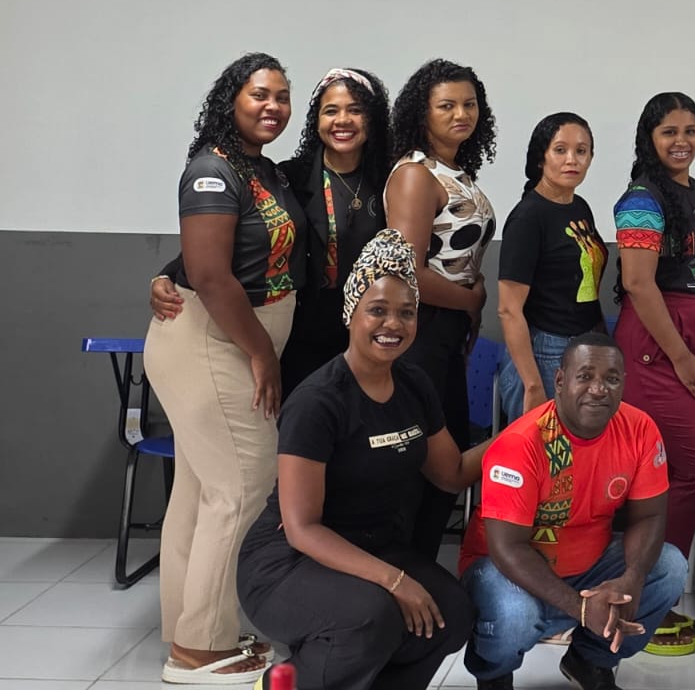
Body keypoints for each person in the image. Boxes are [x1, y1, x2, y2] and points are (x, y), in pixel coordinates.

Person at [237, 231, 486, 690]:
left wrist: (523, 431)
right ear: (351, 311)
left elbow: (450, 475)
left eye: (406, 312)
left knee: (450, 612)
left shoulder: (414, 385)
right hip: (288, 562)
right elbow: (301, 528)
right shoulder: (318, 401)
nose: (393, 323)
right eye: (378, 310)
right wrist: (394, 580)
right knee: (372, 617)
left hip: (374, 546)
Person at [144, 53, 307, 684]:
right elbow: (210, 274)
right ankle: (200, 651)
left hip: (229, 340)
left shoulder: (258, 168)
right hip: (214, 345)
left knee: (199, 492)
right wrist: (262, 353)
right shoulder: (212, 169)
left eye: (282, 96)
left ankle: (189, 631)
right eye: (260, 94)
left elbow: (220, 253)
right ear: (230, 99)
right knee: (242, 488)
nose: (273, 106)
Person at [457, 333, 689, 690]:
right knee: (516, 614)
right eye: (585, 376)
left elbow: (649, 516)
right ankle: (493, 674)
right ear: (560, 381)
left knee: (670, 567)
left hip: (588, 566)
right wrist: (580, 608)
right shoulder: (521, 443)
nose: (598, 389)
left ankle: (589, 662)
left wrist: (632, 578)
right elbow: (507, 549)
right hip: (504, 573)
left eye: (611, 378)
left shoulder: (640, 429)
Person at [150, 68, 392, 401]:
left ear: (373, 117)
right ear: (316, 120)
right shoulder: (288, 177)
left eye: (355, 110)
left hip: (371, 333)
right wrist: (166, 274)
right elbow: (231, 240)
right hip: (302, 334)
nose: (342, 120)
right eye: (330, 111)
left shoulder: (391, 181)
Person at [612, 91, 695, 654]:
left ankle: (651, 596)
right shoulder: (642, 197)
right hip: (661, 346)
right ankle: (644, 594)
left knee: (673, 471)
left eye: (690, 130)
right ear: (649, 139)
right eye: (669, 132)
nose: (681, 141)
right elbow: (638, 283)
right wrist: (681, 355)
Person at [384, 58, 498, 560]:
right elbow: (408, 273)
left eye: (469, 104)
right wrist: (472, 300)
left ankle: (422, 571)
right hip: (421, 333)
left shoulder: (456, 173)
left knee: (446, 467)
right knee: (420, 466)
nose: (461, 114)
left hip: (448, 332)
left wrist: (470, 304)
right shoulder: (416, 174)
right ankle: (401, 577)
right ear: (422, 112)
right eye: (446, 105)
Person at [496, 112, 609, 423]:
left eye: (581, 151)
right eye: (560, 150)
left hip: (584, 343)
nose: (572, 159)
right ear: (540, 157)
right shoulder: (528, 217)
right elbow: (508, 309)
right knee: (545, 445)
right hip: (545, 349)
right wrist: (532, 385)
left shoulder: (579, 206)